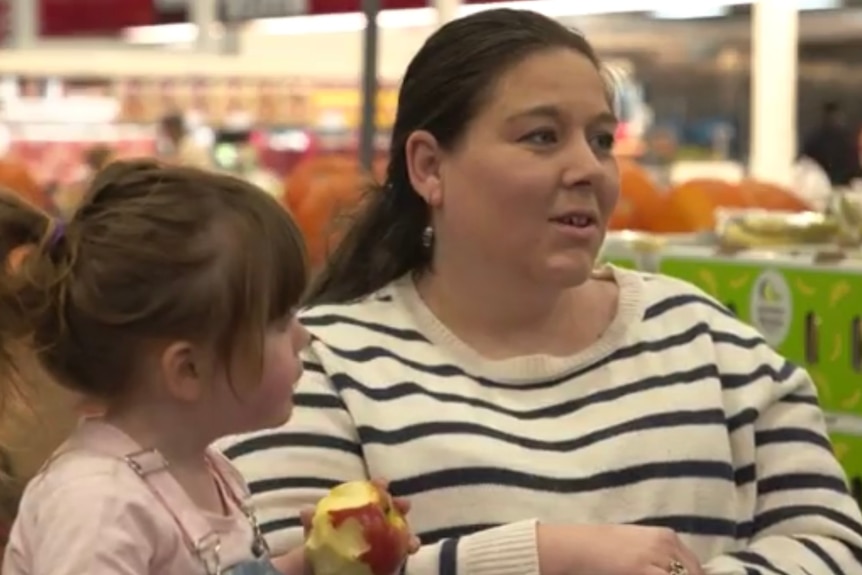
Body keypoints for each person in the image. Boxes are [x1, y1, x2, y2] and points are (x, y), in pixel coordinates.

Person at [219, 9, 862, 575]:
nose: (589, 168)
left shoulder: (709, 343)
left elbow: (833, 543)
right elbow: (272, 571)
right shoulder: (313, 368)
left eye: (602, 140)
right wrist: (543, 557)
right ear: (429, 167)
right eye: (541, 137)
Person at [0, 160, 315, 574]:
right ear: (187, 370)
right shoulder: (98, 505)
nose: (304, 337)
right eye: (278, 322)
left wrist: (311, 562)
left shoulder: (208, 471)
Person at [801, 101, 860, 187]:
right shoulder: (846, 139)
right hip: (842, 184)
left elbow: (805, 162)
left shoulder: (815, 138)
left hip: (820, 185)